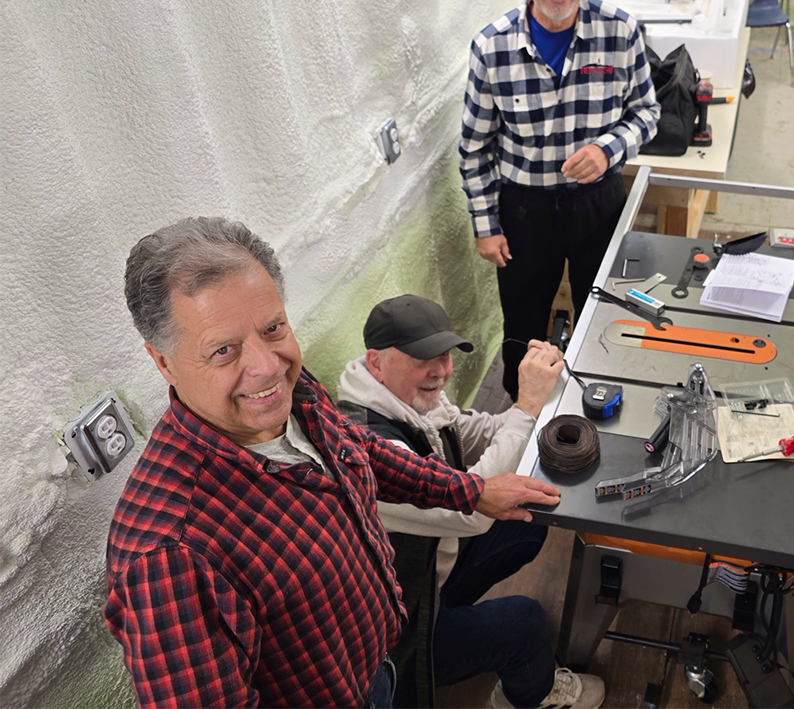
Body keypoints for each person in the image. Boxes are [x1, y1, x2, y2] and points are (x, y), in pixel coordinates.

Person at [106, 218, 560, 709]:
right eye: (223, 350)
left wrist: (471, 492)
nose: (267, 365)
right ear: (164, 361)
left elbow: (357, 449)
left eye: (273, 328)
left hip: (376, 661)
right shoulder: (166, 556)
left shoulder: (295, 393)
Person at [337, 294, 605, 709]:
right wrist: (528, 403)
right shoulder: (368, 453)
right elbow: (472, 513)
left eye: (444, 356)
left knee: (526, 522)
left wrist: (538, 400)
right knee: (526, 622)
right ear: (376, 362)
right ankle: (528, 694)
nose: (440, 372)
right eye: (424, 360)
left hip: (430, 573)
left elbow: (476, 429)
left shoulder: (404, 400)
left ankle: (459, 618)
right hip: (398, 626)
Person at [459, 0, 660, 397]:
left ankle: (600, 393)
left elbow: (647, 114)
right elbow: (474, 147)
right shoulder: (493, 47)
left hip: (597, 201)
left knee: (605, 307)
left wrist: (608, 149)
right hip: (525, 209)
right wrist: (486, 227)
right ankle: (520, 411)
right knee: (523, 318)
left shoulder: (621, 32)